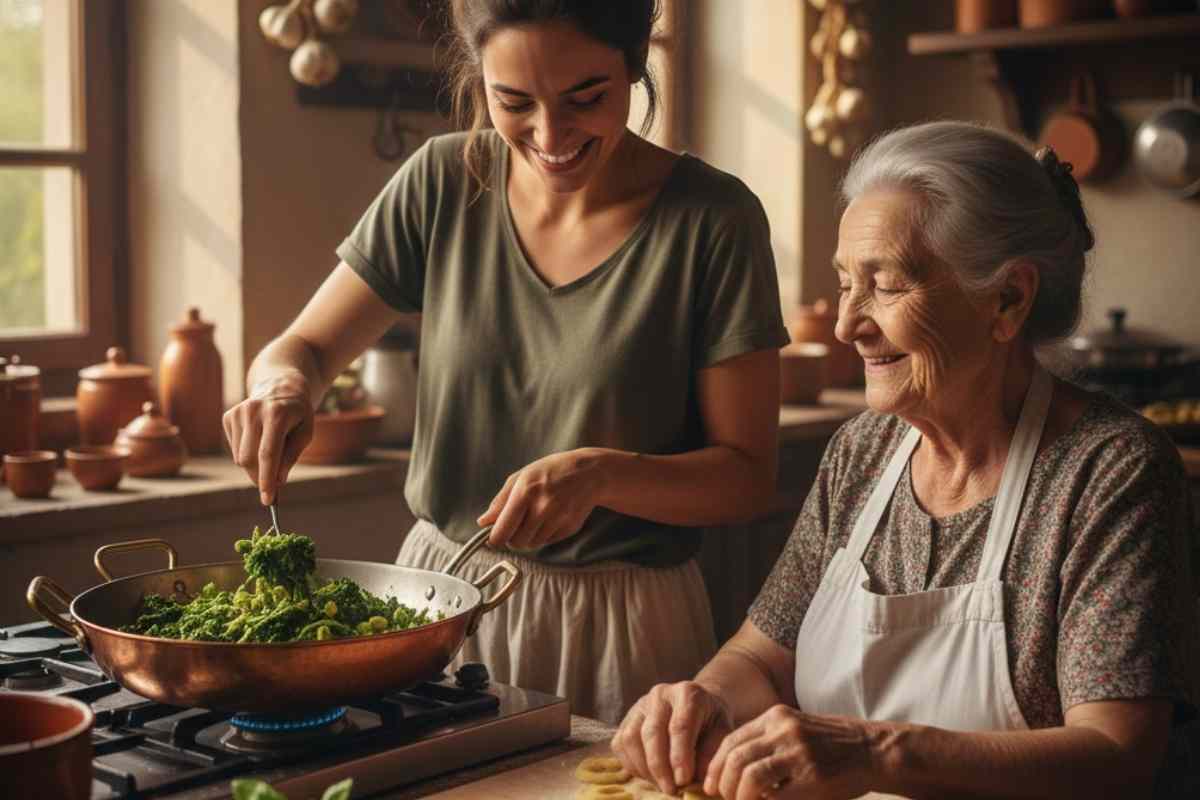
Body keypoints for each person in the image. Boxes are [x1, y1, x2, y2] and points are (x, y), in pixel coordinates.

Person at [222, 0, 790, 725]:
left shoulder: (714, 220)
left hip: (620, 626)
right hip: (438, 598)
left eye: (586, 98)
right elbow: (299, 349)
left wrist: (602, 474)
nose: (550, 137)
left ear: (634, 62)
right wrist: (281, 390)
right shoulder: (442, 181)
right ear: (477, 79)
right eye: (513, 102)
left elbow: (746, 479)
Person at [612, 121, 1200, 799]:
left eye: (885, 286)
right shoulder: (863, 449)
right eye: (844, 285)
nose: (846, 325)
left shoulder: (1110, 470)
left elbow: (1117, 754)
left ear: (1007, 299)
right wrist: (705, 700)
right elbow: (763, 657)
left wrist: (875, 751)